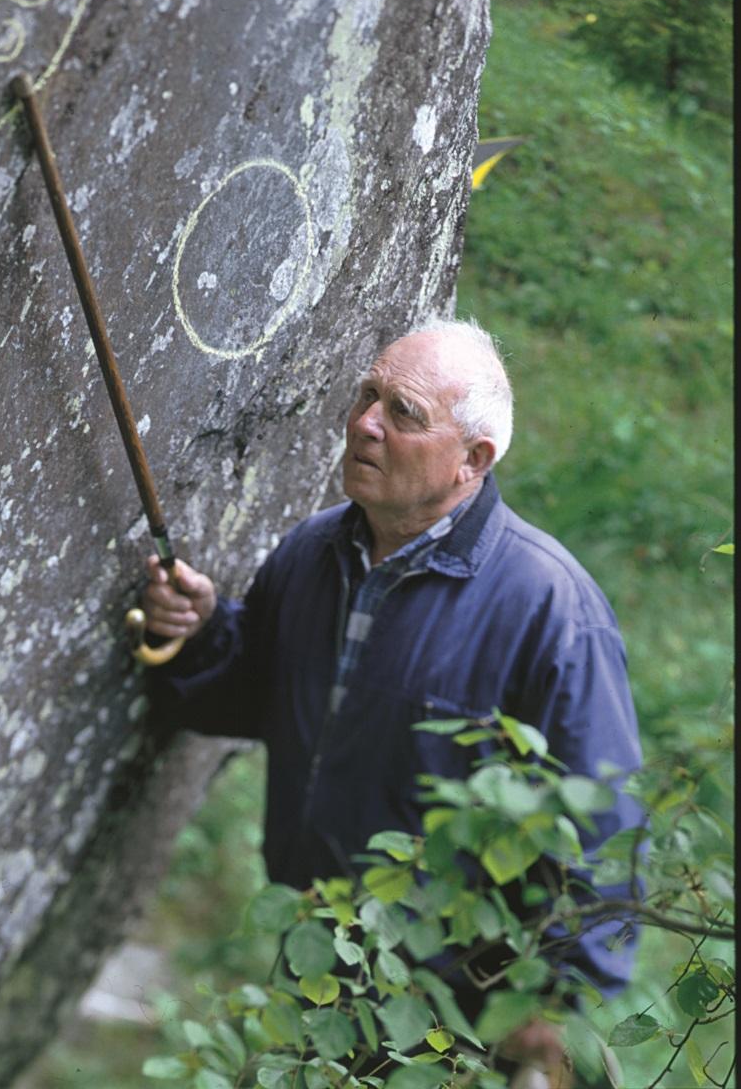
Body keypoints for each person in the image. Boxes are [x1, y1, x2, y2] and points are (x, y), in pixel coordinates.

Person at [141, 317, 643, 1086]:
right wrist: (204, 632)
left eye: (402, 413)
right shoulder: (312, 553)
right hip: (323, 959)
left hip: (466, 1002)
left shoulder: (547, 607)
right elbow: (251, 700)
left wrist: (554, 1008)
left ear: (472, 459)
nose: (364, 423)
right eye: (366, 395)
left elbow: (604, 827)